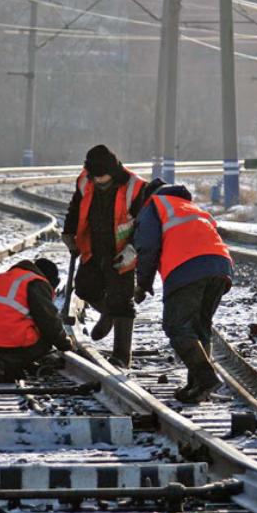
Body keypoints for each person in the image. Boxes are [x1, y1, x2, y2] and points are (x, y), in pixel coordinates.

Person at [134, 179, 233, 403]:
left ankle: (206, 378)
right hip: (220, 267)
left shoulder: (154, 206)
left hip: (187, 267)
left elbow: (148, 247)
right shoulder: (191, 207)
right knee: (199, 327)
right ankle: (196, 386)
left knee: (176, 326)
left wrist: (142, 284)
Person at [61, 145, 146, 368]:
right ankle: (108, 313)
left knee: (122, 302)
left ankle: (121, 357)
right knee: (84, 287)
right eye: (95, 177)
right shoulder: (85, 180)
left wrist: (133, 250)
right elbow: (76, 207)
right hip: (93, 246)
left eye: (102, 178)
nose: (98, 182)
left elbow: (145, 226)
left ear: (113, 171)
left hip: (122, 251)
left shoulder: (135, 187)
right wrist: (68, 232)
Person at [0, 258, 74, 382]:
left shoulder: (2, 278)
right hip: (7, 340)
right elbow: (49, 321)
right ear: (53, 281)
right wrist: (65, 344)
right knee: (45, 335)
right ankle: (12, 362)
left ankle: (7, 361)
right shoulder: (36, 282)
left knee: (24, 323)